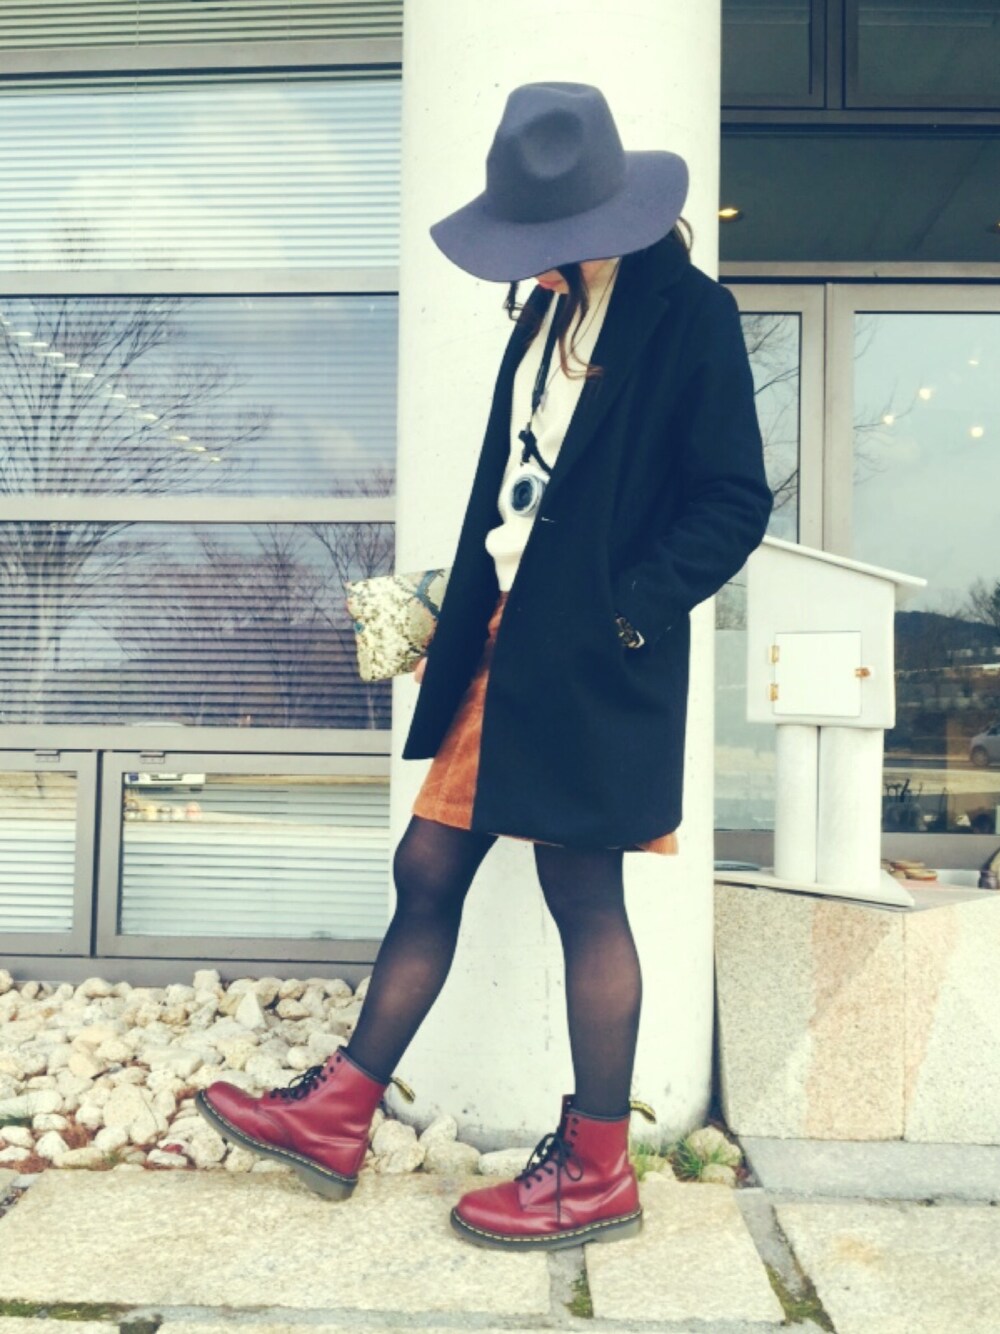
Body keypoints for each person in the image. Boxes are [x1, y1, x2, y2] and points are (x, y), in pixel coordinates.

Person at [195, 82, 773, 1252]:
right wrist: (456, 612)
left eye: (552, 236)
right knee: (427, 862)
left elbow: (732, 500)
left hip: (596, 655)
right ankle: (339, 1114)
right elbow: (518, 490)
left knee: (581, 892)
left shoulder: (689, 315)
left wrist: (625, 615)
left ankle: (596, 1168)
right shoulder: (544, 315)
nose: (538, 259)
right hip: (508, 639)